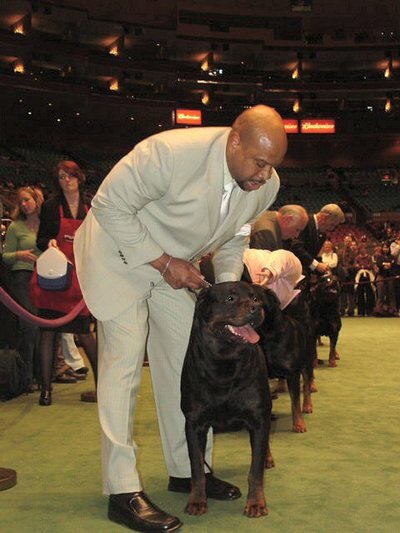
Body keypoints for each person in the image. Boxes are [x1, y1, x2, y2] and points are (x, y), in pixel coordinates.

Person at [73, 104, 288, 532]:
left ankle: (188, 471)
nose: (266, 176)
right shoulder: (169, 152)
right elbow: (109, 205)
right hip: (118, 256)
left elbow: (235, 237)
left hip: (176, 269)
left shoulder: (265, 184)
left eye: (274, 166)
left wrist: (225, 298)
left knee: (184, 365)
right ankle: (122, 490)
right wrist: (163, 261)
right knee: (124, 369)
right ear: (234, 141)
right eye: (260, 163)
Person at [30, 161, 97, 406]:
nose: (66, 180)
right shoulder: (49, 207)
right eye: (61, 177)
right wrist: (49, 243)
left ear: (79, 178)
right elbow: (41, 239)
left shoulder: (92, 205)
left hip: (79, 279)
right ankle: (45, 391)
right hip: (54, 279)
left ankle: (103, 388)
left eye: (70, 176)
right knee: (47, 332)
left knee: (85, 332)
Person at [2, 186, 44, 392]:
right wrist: (19, 254)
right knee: (30, 326)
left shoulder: (47, 224)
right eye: (21, 202)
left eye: (27, 200)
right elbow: (5, 256)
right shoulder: (15, 227)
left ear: (37, 199)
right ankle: (27, 377)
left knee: (43, 328)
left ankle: (42, 374)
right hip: (22, 278)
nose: (24, 205)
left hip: (45, 279)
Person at [289, 204, 345, 276]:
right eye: (332, 225)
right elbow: (296, 247)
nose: (332, 229)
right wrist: (316, 265)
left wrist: (322, 267)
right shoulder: (304, 222)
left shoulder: (323, 234)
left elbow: (313, 255)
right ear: (325, 217)